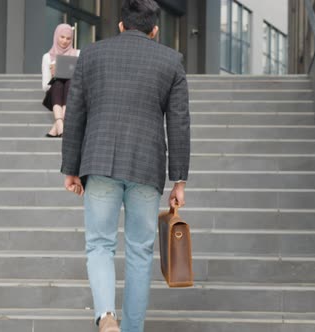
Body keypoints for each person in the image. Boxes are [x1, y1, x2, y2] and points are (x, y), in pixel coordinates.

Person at [60, 0, 190, 331]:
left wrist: (71, 168)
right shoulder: (171, 61)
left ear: (120, 25)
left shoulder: (91, 54)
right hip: (146, 168)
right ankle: (131, 329)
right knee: (139, 253)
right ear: (155, 30)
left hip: (99, 161)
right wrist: (179, 181)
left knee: (99, 244)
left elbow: (75, 114)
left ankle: (105, 315)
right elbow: (179, 124)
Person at [41, 23, 80, 137]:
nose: (65, 41)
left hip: (72, 93)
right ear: (56, 36)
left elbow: (82, 79)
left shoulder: (78, 54)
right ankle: (60, 124)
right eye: (62, 37)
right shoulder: (47, 57)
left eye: (68, 38)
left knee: (69, 82)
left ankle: (57, 127)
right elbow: (45, 87)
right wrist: (54, 76)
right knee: (58, 83)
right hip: (54, 95)